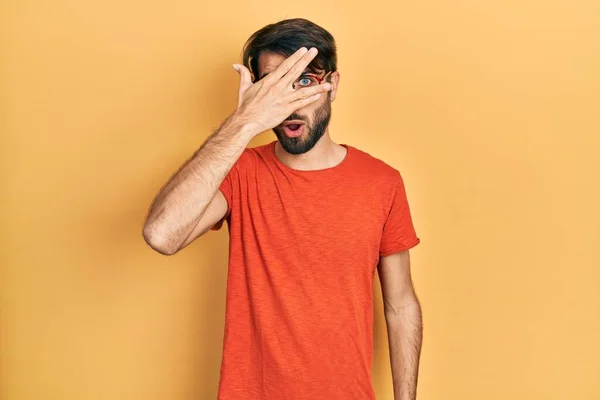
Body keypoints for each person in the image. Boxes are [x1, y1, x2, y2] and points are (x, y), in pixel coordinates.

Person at [143, 18, 422, 400]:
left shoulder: (382, 182)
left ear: (332, 85)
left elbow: (401, 304)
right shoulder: (239, 173)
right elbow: (161, 234)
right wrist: (244, 121)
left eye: (304, 82)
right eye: (273, 86)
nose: (288, 104)